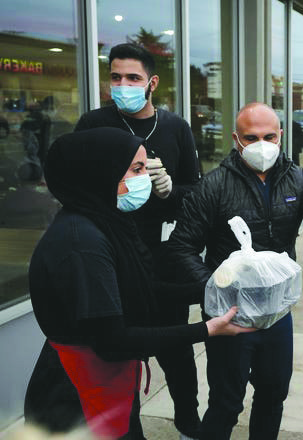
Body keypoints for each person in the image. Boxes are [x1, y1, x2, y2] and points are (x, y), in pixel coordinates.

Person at [164, 102, 303, 440]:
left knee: (273, 394)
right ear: (236, 139)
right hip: (229, 317)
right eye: (251, 137)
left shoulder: (297, 179)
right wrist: (213, 290)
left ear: (281, 136)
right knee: (226, 402)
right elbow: (181, 247)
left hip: (276, 311)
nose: (261, 144)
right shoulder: (214, 185)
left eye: (269, 136)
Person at [24, 128, 253, 439]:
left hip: (107, 384)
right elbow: (113, 339)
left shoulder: (105, 221)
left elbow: (142, 287)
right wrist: (208, 329)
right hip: (75, 399)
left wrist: (210, 288)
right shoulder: (82, 244)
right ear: (100, 172)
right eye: (137, 169)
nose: (145, 178)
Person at [74, 43, 203, 438]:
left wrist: (169, 191)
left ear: (152, 82)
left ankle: (187, 422)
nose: (123, 85)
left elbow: (195, 193)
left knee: (176, 350)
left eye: (132, 78)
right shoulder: (93, 124)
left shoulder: (175, 128)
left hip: (164, 256)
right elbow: (73, 186)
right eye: (115, 77)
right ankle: (128, 430)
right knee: (120, 353)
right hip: (112, 254)